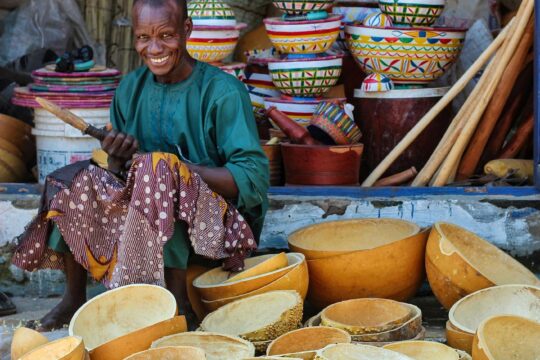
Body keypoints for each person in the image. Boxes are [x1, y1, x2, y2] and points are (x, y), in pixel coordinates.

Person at [12, 0, 269, 331]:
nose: (155, 48)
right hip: (144, 213)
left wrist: (179, 170)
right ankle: (73, 298)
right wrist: (118, 158)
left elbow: (252, 178)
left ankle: (177, 304)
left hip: (217, 225)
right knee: (72, 178)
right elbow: (122, 172)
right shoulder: (130, 89)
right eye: (144, 37)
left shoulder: (222, 91)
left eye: (166, 35)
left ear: (186, 31)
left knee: (159, 170)